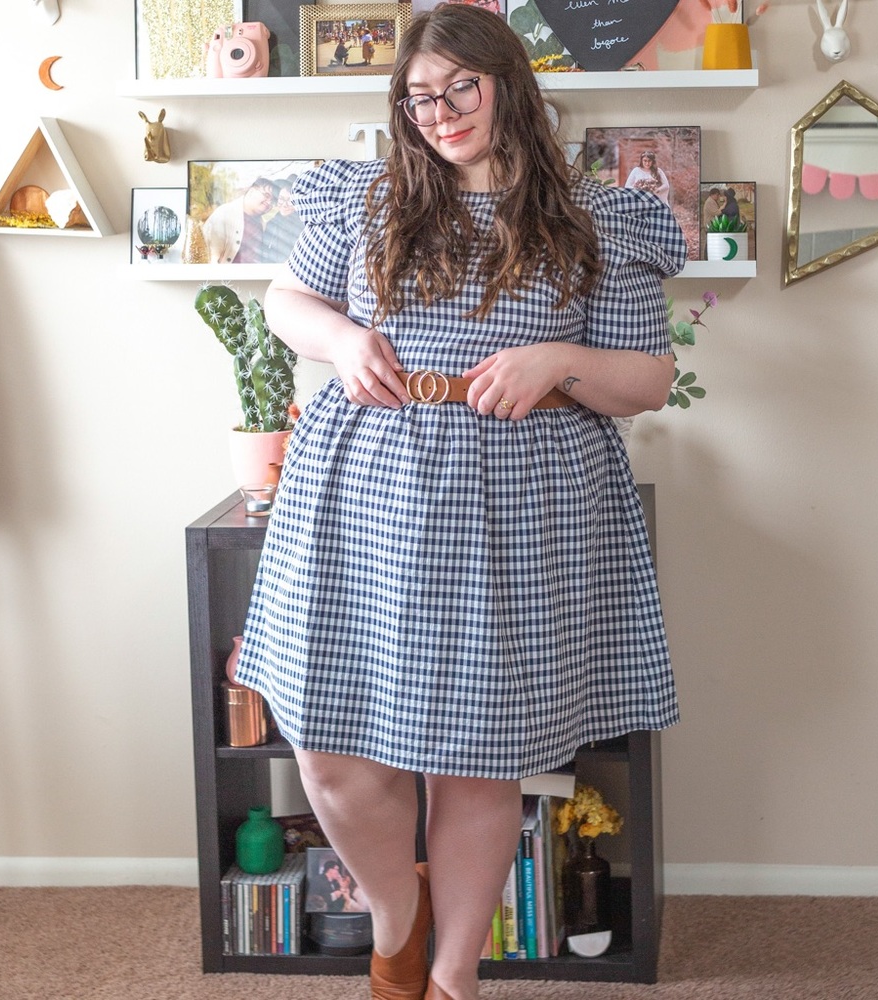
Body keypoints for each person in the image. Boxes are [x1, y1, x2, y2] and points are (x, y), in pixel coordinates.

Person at [234, 5, 684, 999]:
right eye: (418, 97)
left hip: (516, 504)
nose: (438, 113)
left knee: (476, 760)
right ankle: (397, 912)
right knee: (332, 753)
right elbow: (284, 303)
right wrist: (342, 341)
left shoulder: (596, 218)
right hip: (361, 493)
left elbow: (646, 381)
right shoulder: (368, 198)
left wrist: (559, 359)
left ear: (508, 82)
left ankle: (448, 977)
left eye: (458, 88)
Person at [202, 176, 274, 263]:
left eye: (272, 200)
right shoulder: (224, 214)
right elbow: (210, 256)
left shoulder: (263, 223)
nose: (269, 202)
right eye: (266, 195)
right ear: (251, 191)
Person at [259, 176, 305, 263]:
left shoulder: (302, 225)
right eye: (281, 199)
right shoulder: (272, 222)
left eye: (290, 200)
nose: (284, 204)